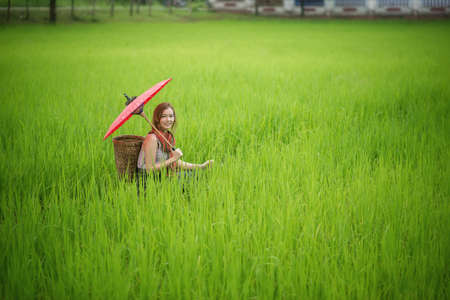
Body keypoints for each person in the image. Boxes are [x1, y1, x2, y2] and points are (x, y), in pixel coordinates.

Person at [136, 102, 213, 194]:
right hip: (148, 181)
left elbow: (176, 162)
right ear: (157, 118)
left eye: (171, 116)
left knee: (196, 174)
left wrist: (200, 166)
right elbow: (149, 168)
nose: (169, 119)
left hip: (162, 175)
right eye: (164, 116)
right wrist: (173, 158)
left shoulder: (167, 136)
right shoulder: (152, 138)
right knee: (189, 179)